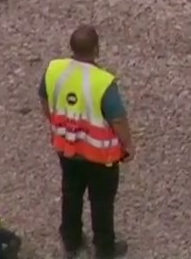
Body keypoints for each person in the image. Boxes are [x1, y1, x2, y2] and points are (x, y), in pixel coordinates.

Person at [39, 25, 134, 258]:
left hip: (66, 148)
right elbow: (117, 119)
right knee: (101, 201)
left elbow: (44, 97)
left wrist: (55, 123)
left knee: (71, 193)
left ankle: (71, 240)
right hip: (99, 155)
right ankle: (104, 247)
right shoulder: (103, 82)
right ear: (96, 49)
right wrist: (128, 145)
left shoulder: (55, 69)